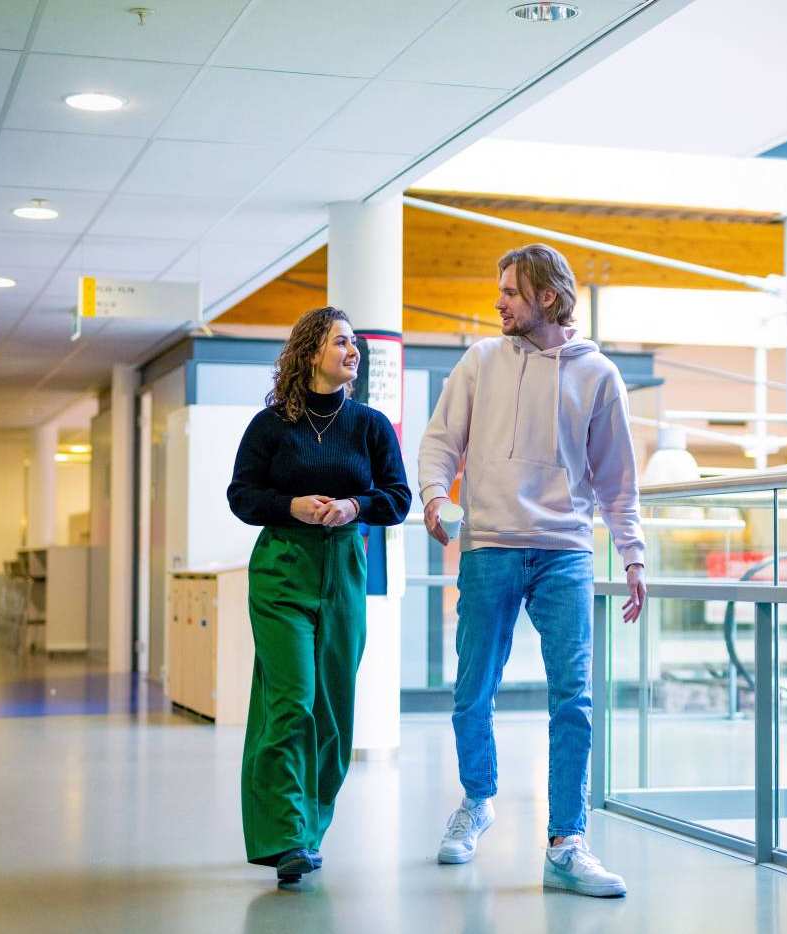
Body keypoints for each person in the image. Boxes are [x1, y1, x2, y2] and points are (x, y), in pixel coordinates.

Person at [418, 244, 647, 898]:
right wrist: (436, 498)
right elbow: (439, 443)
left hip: (565, 553)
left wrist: (631, 553)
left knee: (573, 699)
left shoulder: (597, 375)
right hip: (489, 544)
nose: (499, 302)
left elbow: (617, 480)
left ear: (547, 296)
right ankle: (477, 799)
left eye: (511, 292)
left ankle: (566, 843)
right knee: (473, 690)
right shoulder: (481, 361)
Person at [228, 306, 411, 887]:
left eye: (356, 343)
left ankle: (308, 829)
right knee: (292, 700)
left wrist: (356, 507)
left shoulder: (370, 426)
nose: (353, 351)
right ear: (311, 353)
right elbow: (241, 496)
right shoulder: (271, 426)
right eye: (341, 342)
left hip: (344, 569)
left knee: (333, 707)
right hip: (283, 566)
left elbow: (398, 497)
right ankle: (283, 836)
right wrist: (292, 506)